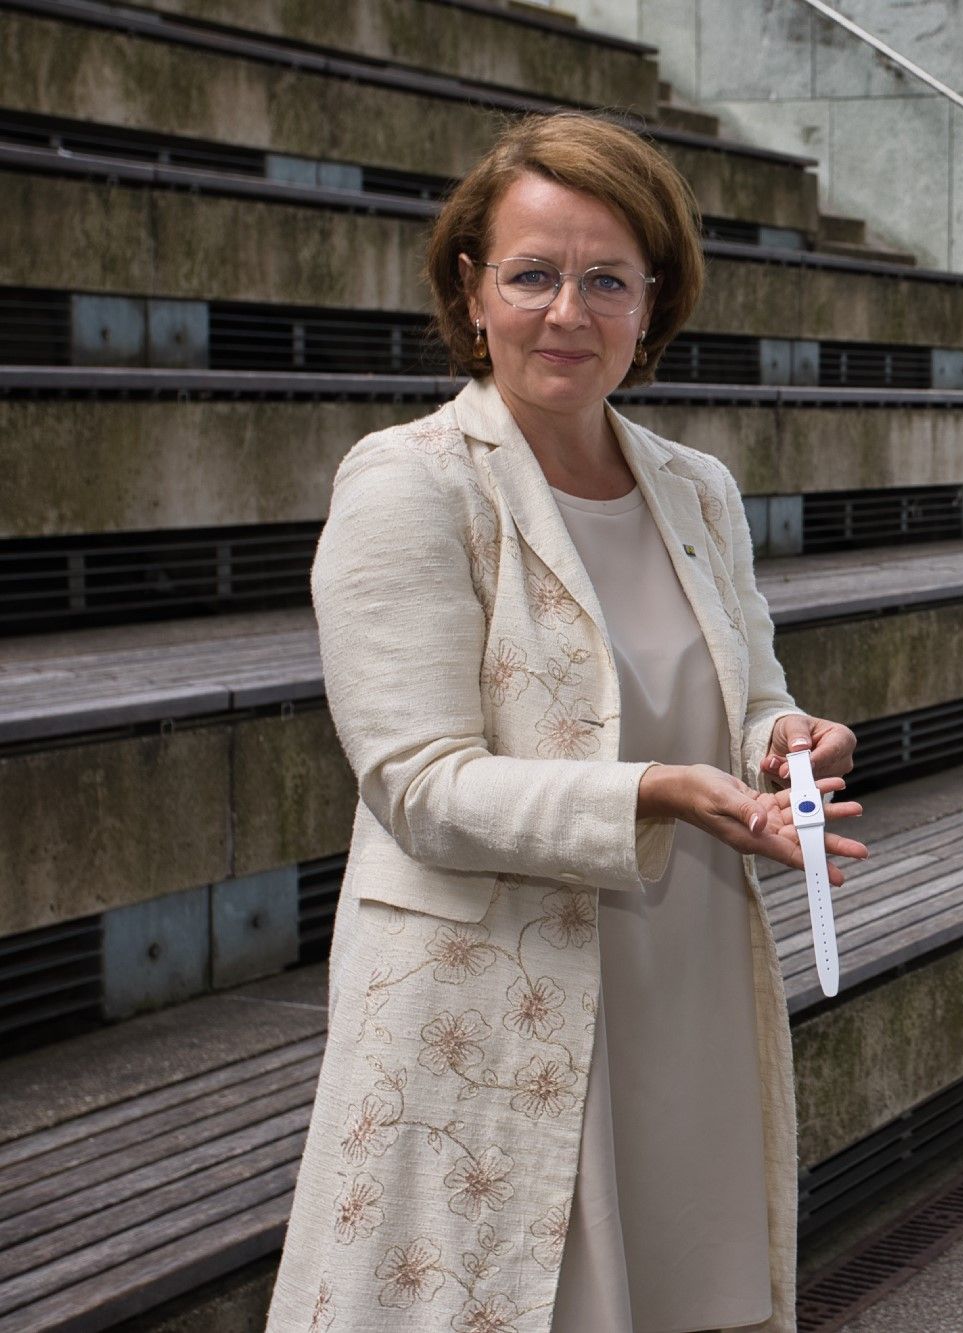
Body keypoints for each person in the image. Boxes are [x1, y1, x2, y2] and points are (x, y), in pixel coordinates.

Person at [267, 112, 865, 1333]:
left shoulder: (696, 487)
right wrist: (653, 791)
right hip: (491, 1000)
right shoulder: (409, 481)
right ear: (471, 289)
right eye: (532, 274)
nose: (566, 313)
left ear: (653, 303)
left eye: (606, 281)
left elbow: (750, 693)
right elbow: (417, 783)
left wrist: (784, 741)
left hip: (682, 981)